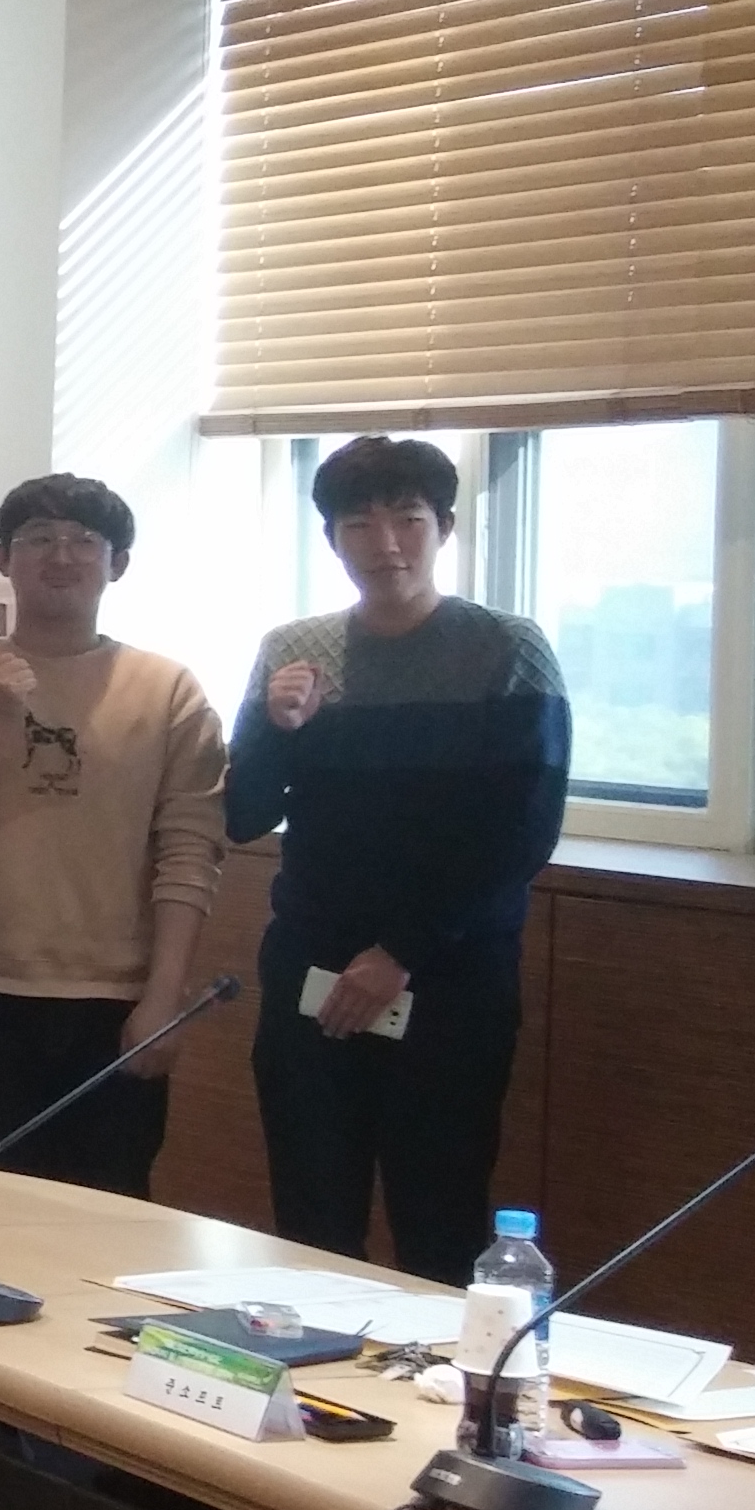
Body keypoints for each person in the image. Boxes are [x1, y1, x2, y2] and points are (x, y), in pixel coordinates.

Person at [229, 436, 570, 1281]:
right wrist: (277, 727)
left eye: (408, 520)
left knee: (439, 1216)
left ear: (444, 527)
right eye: (359, 524)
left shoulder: (505, 648)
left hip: (453, 978)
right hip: (312, 970)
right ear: (331, 538)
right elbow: (243, 814)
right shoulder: (294, 651)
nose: (385, 545)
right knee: (311, 1218)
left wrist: (401, 952)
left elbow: (521, 830)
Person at [0, 474, 226, 1199]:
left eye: (84, 541)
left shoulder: (169, 690)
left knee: (114, 1204)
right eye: (39, 538)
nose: (62, 555)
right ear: (3, 559)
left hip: (121, 995)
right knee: (0, 1201)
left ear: (118, 563)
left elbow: (190, 851)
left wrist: (165, 996)